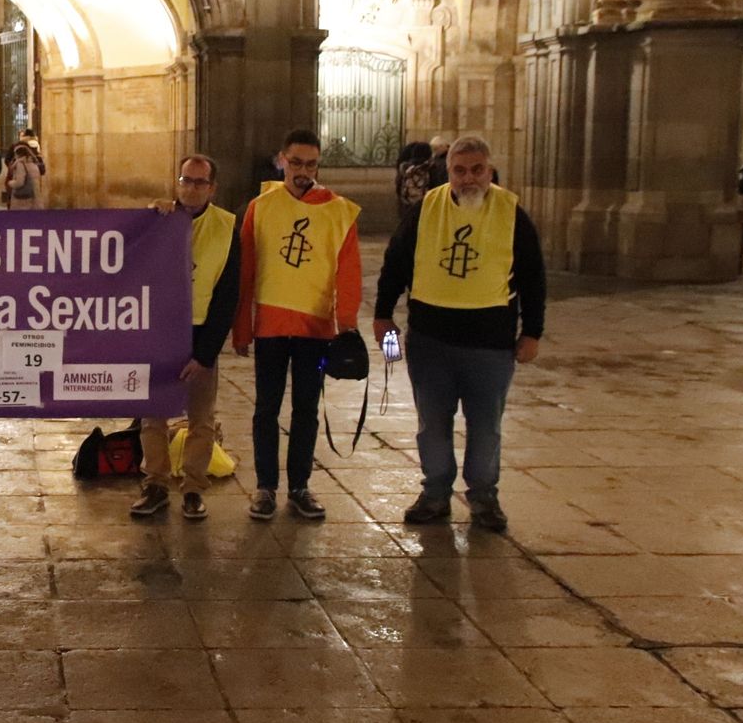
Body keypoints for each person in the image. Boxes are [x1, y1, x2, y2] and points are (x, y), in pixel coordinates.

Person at [374, 134, 545, 532]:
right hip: (430, 341)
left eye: (477, 170)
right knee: (432, 423)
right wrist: (383, 315)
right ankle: (435, 493)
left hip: (490, 344)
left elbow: (533, 277)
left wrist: (532, 332)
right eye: (460, 170)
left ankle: (484, 497)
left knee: (485, 426)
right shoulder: (426, 209)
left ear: (490, 170)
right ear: (447, 171)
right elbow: (395, 262)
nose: (469, 179)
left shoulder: (512, 213)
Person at [233, 128, 362, 521]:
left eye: (311, 164)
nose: (303, 171)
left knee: (306, 409)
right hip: (270, 327)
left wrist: (347, 328)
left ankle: (300, 486)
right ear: (282, 161)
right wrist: (241, 328)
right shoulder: (261, 207)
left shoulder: (340, 211)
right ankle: (265, 487)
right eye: (296, 162)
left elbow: (349, 274)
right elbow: (246, 271)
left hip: (315, 330)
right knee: (266, 409)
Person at [131, 155, 241, 520]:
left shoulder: (226, 227)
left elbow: (227, 295)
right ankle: (155, 484)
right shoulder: (158, 219)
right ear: (176, 183)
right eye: (185, 180)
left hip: (199, 332)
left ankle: (193, 488)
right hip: (158, 332)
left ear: (212, 188)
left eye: (199, 182)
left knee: (201, 419)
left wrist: (205, 354)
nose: (191, 189)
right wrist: (149, 216)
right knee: (153, 415)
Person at [394, 141, 434, 225]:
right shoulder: (429, 169)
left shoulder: (405, 169)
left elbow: (399, 188)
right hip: (424, 208)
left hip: (407, 207)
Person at [6, 142, 42, 210]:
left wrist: (10, 183)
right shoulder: (33, 162)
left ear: (17, 154)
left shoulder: (20, 164)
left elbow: (19, 182)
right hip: (33, 195)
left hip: (22, 199)